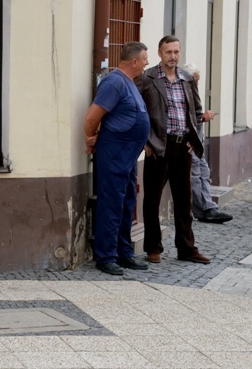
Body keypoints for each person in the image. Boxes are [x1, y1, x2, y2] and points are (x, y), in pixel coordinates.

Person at [137, 36, 210, 264]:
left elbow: (196, 112)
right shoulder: (148, 78)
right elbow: (136, 111)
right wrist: (145, 142)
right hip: (158, 147)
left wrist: (193, 138)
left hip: (182, 147)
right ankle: (153, 249)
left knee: (183, 200)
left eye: (176, 52)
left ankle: (187, 249)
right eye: (169, 52)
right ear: (160, 53)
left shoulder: (187, 78)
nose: (173, 56)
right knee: (152, 200)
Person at [83, 42, 151, 276]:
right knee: (111, 203)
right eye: (144, 59)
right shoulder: (114, 82)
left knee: (126, 202)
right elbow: (92, 116)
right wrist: (90, 137)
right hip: (114, 153)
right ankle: (106, 256)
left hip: (127, 155)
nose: (146, 63)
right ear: (134, 61)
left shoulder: (129, 83)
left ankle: (124, 252)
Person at [182, 63, 233, 224]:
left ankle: (207, 207)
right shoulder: (182, 93)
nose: (197, 83)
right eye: (195, 80)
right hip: (189, 142)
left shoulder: (192, 92)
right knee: (196, 175)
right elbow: (184, 119)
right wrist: (203, 117)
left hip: (197, 142)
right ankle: (205, 209)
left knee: (203, 172)